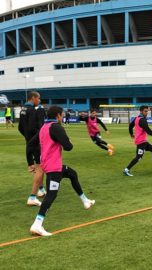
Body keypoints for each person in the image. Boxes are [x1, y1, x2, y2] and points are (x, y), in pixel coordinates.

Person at [29, 106, 95, 236]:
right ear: (58, 115)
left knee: (72, 173)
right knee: (51, 195)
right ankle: (37, 224)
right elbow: (68, 147)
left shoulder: (44, 127)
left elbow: (31, 143)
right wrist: (68, 140)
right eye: (62, 115)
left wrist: (30, 162)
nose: (63, 117)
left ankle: (85, 201)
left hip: (50, 164)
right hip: (54, 167)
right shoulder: (56, 127)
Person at [18, 91, 46, 206]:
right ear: (33, 98)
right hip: (36, 142)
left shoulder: (23, 110)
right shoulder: (32, 110)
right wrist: (37, 138)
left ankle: (41, 190)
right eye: (38, 98)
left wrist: (27, 137)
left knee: (40, 166)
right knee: (40, 167)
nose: (39, 100)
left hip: (29, 141)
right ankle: (34, 195)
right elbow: (36, 127)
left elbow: (20, 127)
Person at [123, 105, 152, 177]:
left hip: (143, 141)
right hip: (141, 142)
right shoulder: (142, 120)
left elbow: (130, 126)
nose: (147, 113)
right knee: (139, 157)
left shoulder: (137, 118)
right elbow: (149, 131)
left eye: (147, 111)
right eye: (145, 111)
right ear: (141, 111)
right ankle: (126, 169)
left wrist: (131, 134)